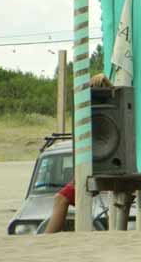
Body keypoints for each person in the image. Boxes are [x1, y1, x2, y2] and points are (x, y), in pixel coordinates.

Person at [44, 72, 113, 233]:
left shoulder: (108, 112)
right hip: (92, 163)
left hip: (99, 164)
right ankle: (47, 238)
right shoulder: (91, 113)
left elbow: (118, 96)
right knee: (61, 198)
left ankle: (46, 238)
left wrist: (105, 81)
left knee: (61, 198)